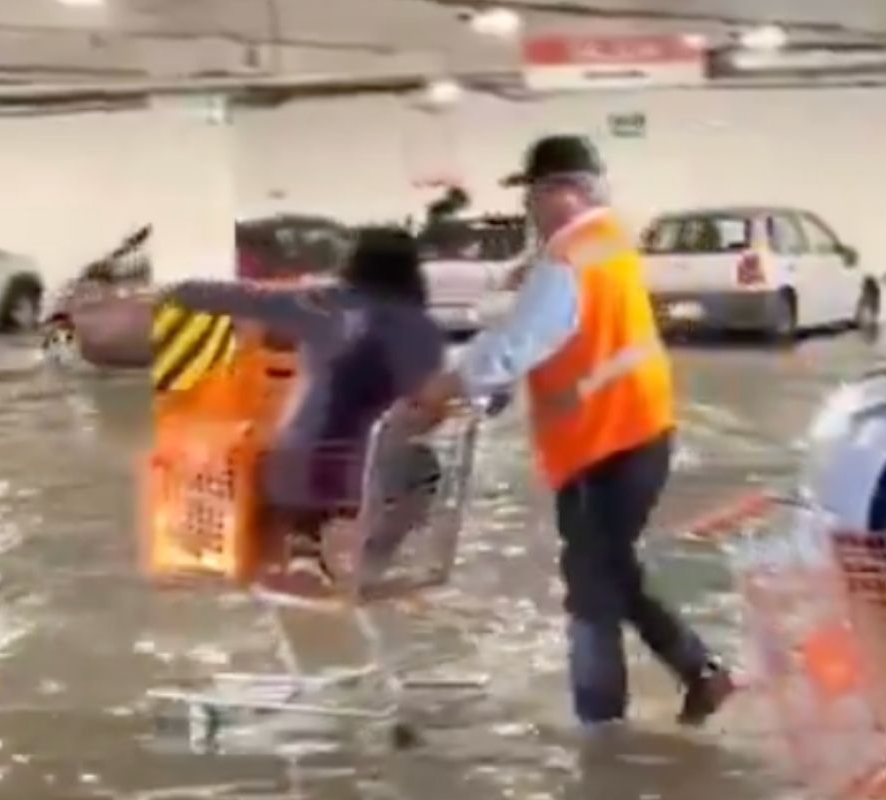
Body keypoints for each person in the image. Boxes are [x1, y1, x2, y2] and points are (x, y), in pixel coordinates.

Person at [408, 135, 735, 729]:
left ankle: (602, 733)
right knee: (610, 571)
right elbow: (553, 345)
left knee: (591, 589)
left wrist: (440, 390)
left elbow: (512, 345)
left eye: (533, 194)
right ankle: (702, 673)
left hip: (607, 443)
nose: (529, 209)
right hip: (630, 433)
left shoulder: (569, 261)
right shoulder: (607, 244)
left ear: (563, 191)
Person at [162, 227, 446, 585]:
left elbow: (242, 297)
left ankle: (301, 547)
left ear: (355, 265)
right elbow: (429, 409)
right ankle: (375, 557)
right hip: (371, 476)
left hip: (293, 472)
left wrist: (174, 291)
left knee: (276, 449)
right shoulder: (425, 330)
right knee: (424, 465)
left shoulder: (321, 303)